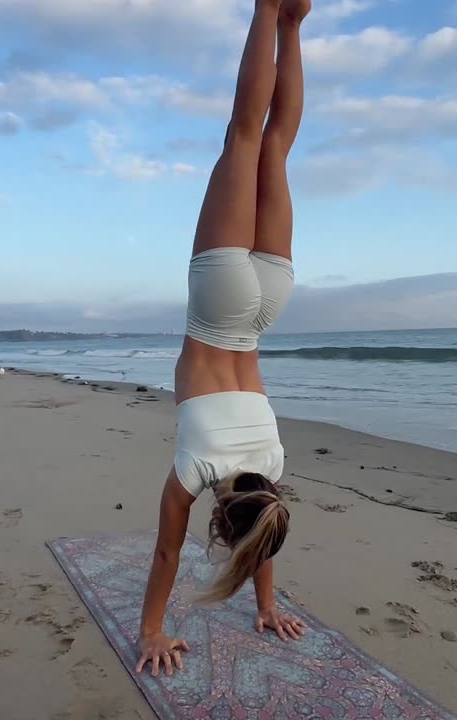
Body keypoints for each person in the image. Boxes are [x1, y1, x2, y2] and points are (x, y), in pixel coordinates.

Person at [136, 0, 312, 678]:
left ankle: (293, 26)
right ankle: (270, 7)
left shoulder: (273, 462)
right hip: (218, 305)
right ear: (219, 521)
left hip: (267, 303)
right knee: (243, 135)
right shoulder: (193, 473)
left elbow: (263, 537)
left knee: (273, 145)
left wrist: (268, 601)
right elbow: (164, 556)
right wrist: (153, 630)